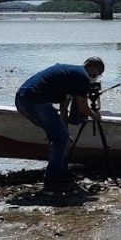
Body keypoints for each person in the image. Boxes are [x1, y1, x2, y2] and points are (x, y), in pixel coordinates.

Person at [15, 57, 105, 191]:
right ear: (92, 68)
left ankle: (61, 173)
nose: (95, 78)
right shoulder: (82, 77)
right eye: (96, 74)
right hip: (35, 100)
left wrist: (64, 130)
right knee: (60, 138)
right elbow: (82, 107)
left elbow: (64, 109)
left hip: (22, 99)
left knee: (60, 137)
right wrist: (95, 115)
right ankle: (53, 180)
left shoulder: (71, 74)